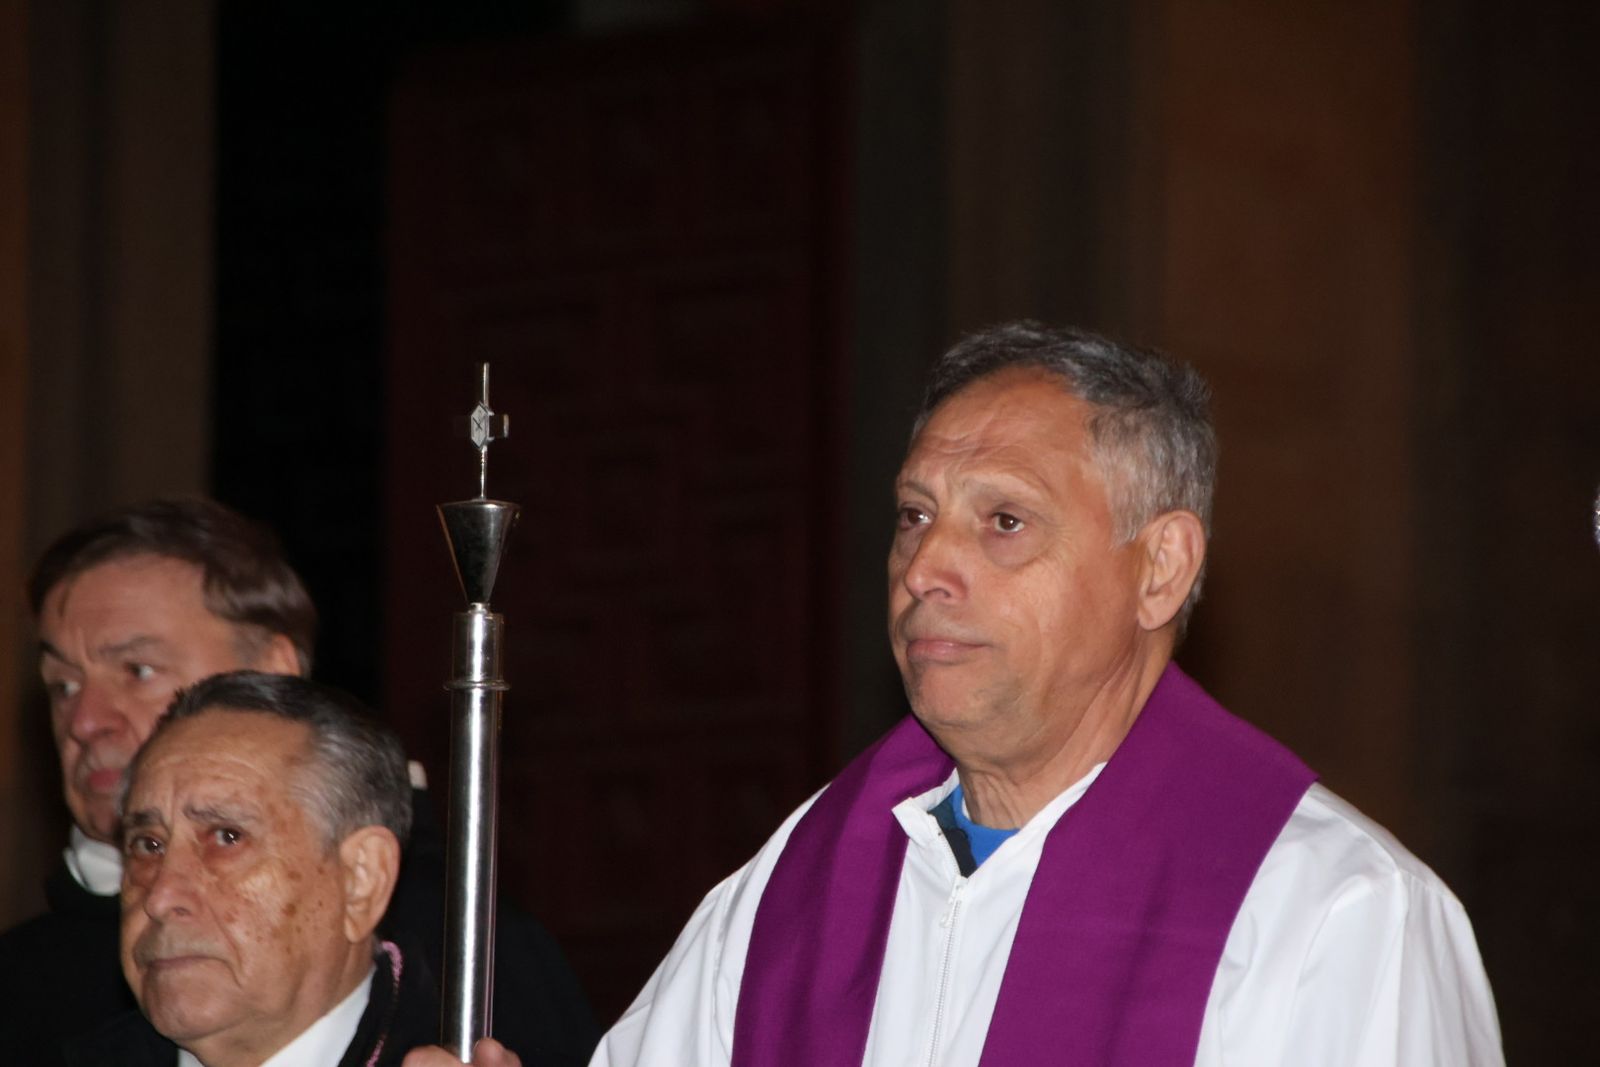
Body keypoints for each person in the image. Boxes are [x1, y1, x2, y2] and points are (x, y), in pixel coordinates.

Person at [580, 322, 1504, 1066]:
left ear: (1160, 568)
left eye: (1005, 521)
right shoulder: (796, 883)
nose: (926, 567)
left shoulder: (1332, 915)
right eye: (914, 515)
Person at [0, 498, 598, 1067]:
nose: (83, 721)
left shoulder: (472, 963)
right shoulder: (33, 987)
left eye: (139, 670)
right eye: (63, 685)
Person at [65, 670, 435, 1064]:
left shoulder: (474, 1038)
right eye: (149, 845)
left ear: (362, 881)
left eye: (227, 837)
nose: (160, 897)